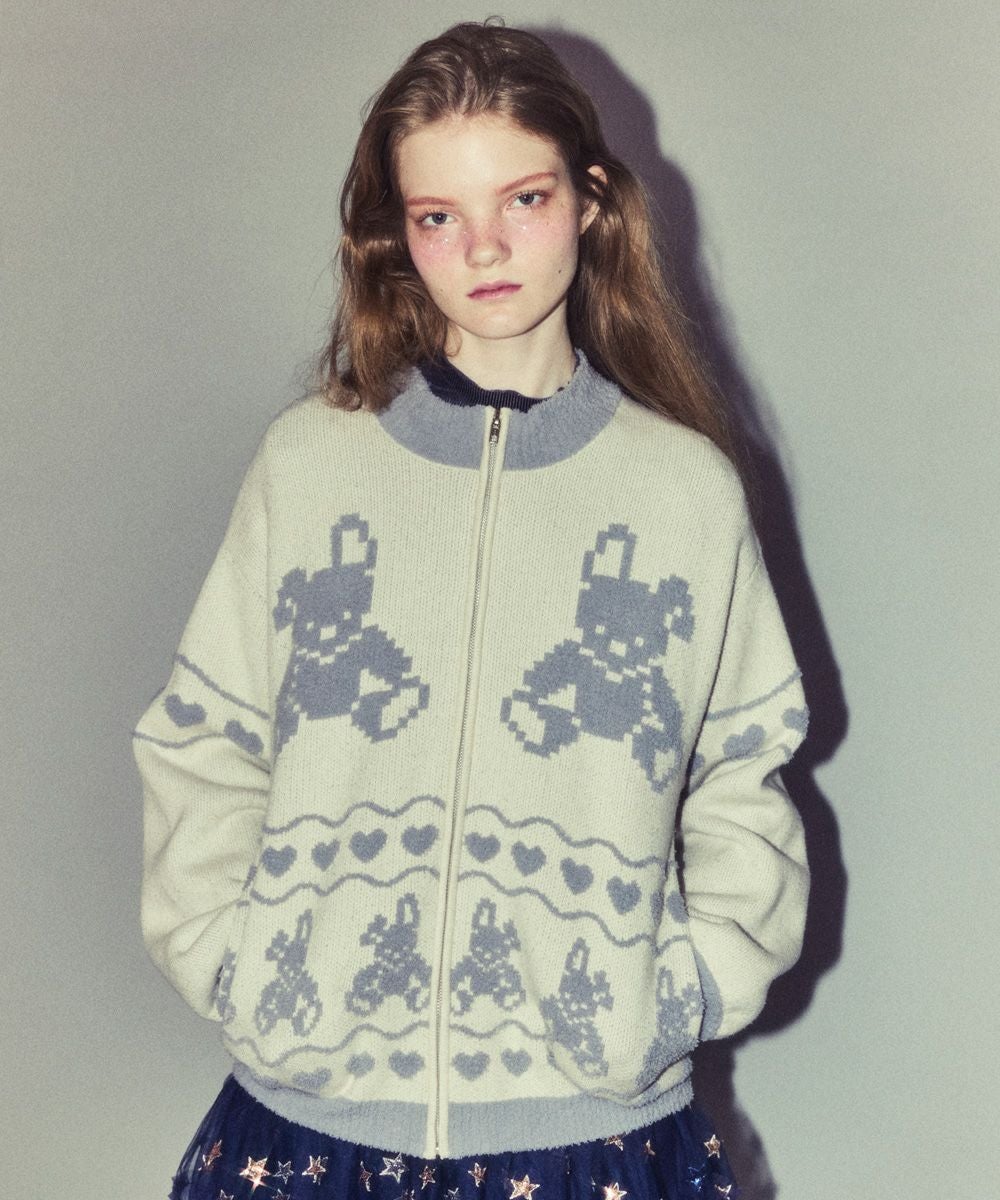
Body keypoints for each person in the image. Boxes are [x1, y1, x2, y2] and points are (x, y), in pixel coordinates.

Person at [133, 18, 809, 1200]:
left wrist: (682, 992)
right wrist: (236, 968)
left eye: (523, 199)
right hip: (310, 1130)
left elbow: (744, 773)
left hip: (594, 1138)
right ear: (395, 234)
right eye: (438, 216)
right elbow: (205, 742)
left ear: (589, 199)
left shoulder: (681, 494)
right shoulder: (309, 467)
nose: (483, 247)